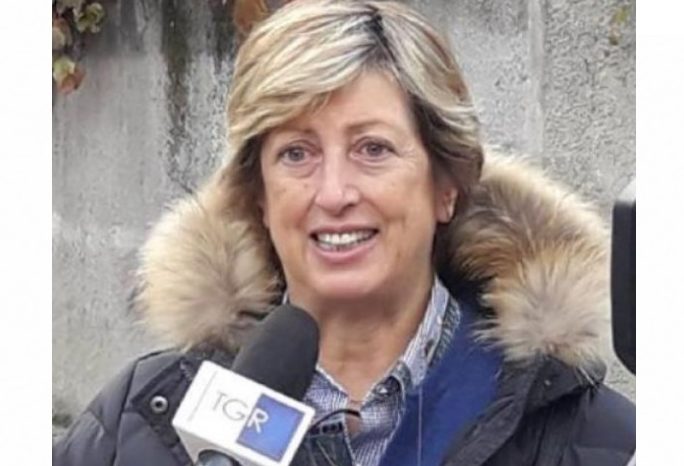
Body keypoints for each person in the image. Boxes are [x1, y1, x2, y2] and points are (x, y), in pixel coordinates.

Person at [54, 1, 635, 465]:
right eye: (296, 153)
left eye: (373, 149)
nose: (333, 193)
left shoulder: (594, 438)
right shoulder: (139, 421)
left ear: (447, 186)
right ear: (258, 196)